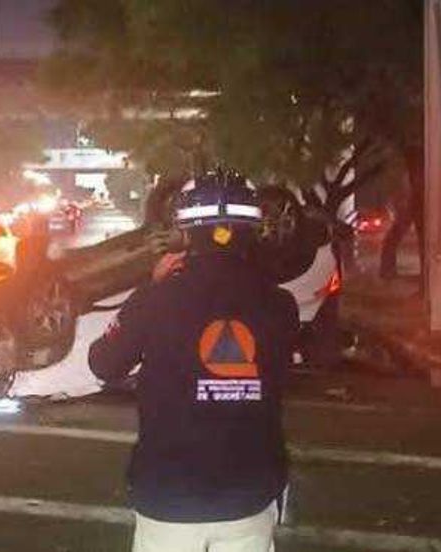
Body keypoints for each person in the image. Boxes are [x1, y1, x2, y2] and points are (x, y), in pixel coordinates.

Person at [89, 171, 300, 552]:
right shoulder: (281, 305)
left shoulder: (157, 298)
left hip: (169, 496)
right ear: (254, 230)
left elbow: (104, 364)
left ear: (185, 234)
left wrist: (149, 290)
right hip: (249, 494)